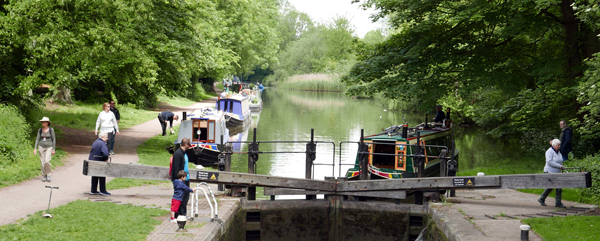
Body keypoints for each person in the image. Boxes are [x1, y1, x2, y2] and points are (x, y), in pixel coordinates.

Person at [538, 139, 566, 208]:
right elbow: (549, 162)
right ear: (554, 145)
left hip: (557, 172)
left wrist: (561, 166)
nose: (559, 146)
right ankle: (541, 199)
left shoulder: (558, 152)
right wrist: (559, 166)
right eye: (558, 145)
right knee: (550, 187)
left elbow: (560, 160)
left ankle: (558, 203)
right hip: (549, 172)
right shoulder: (549, 151)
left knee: (559, 187)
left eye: (560, 145)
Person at [170, 138, 190, 218]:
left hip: (185, 178)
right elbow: (176, 168)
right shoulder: (178, 154)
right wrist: (179, 180)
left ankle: (183, 213)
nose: (190, 146)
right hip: (181, 180)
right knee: (179, 197)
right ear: (186, 144)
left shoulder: (183, 153)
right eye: (189, 144)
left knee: (185, 197)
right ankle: (179, 214)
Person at [34, 117, 56, 182]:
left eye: (44, 122)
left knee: (47, 161)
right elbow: (37, 139)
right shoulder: (40, 130)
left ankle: (49, 175)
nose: (42, 123)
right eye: (42, 122)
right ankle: (44, 175)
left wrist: (53, 149)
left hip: (49, 147)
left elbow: (54, 139)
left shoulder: (51, 130)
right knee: (42, 162)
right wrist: (35, 148)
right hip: (41, 146)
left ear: (47, 123)